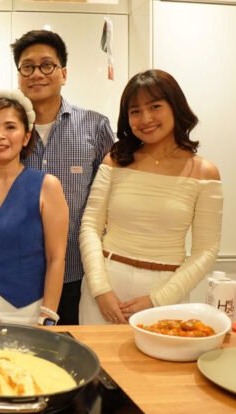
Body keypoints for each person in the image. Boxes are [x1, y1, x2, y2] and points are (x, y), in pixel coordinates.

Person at [79, 69, 223, 324]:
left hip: (166, 290)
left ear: (175, 107)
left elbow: (206, 250)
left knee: (158, 364)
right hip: (106, 282)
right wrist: (100, 290)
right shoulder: (115, 161)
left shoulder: (204, 172)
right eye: (135, 111)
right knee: (97, 362)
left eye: (155, 106)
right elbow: (90, 226)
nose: (145, 118)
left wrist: (157, 299)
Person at [10, 30, 115, 325]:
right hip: (20, 272)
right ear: (19, 76)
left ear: (63, 73)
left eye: (47, 65)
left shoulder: (95, 127)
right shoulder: (6, 132)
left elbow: (112, 196)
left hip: (77, 272)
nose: (37, 74)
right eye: (27, 67)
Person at [0, 90, 68, 325]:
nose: (0, 136)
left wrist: (48, 314)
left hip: (25, 308)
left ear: (26, 136)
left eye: (10, 127)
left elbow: (56, 257)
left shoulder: (46, 186)